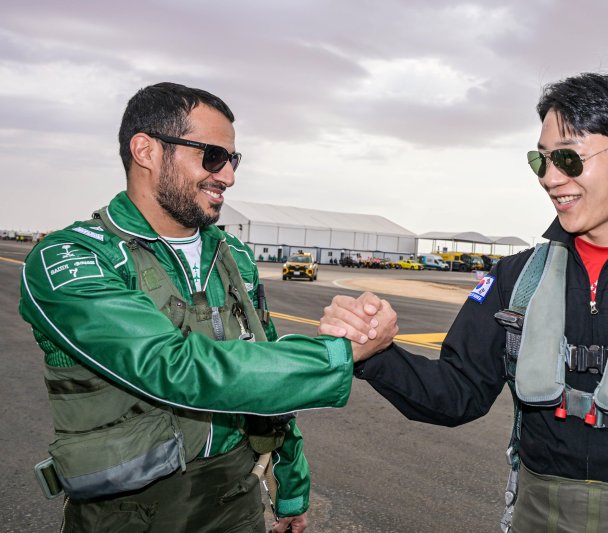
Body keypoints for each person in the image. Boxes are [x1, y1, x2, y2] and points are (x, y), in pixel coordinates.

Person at [320, 73, 608, 532]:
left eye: (568, 158)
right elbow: (454, 394)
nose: (550, 177)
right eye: (539, 160)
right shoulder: (515, 279)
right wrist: (375, 354)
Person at [19, 82, 394, 533]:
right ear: (146, 150)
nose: (229, 177)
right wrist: (339, 354)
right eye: (213, 156)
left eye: (233, 160)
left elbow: (264, 368)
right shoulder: (72, 259)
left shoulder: (234, 256)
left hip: (236, 499)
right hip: (128, 513)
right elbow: (171, 366)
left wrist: (292, 485)